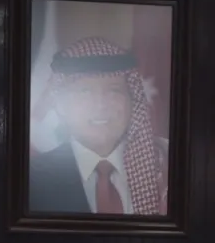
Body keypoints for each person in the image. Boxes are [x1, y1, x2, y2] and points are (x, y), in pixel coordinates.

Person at [28, 36, 169, 216]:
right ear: (61, 105)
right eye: (85, 91)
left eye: (114, 90)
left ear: (132, 100)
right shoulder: (32, 179)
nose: (101, 104)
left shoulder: (166, 166)